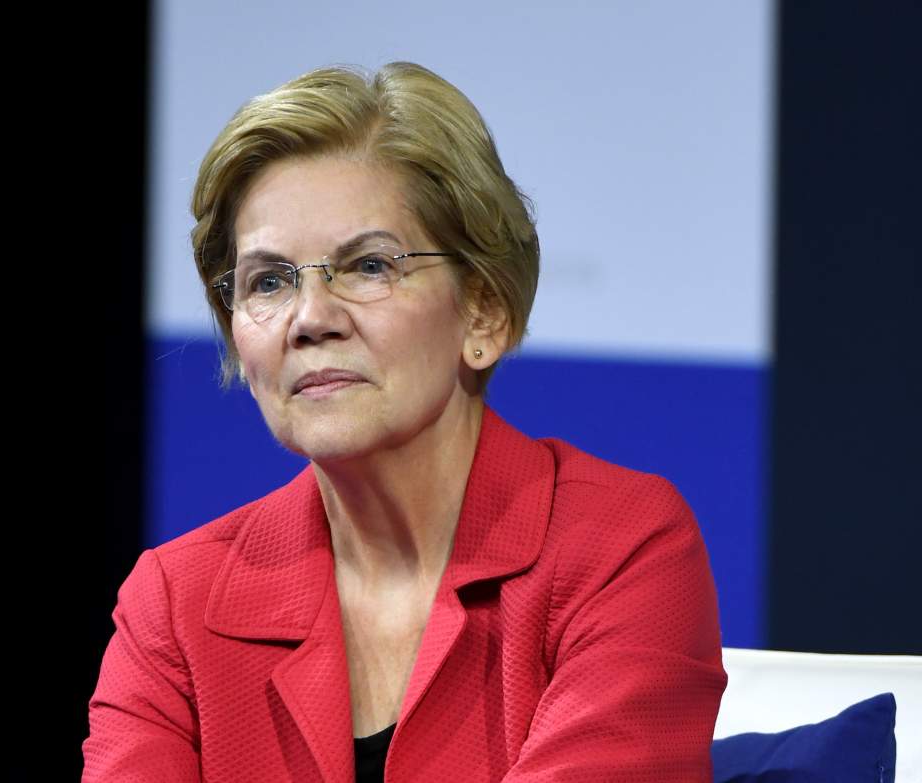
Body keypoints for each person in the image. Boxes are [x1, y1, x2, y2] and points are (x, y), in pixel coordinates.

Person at [84, 62, 727, 782]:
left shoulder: (621, 548)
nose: (310, 319)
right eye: (269, 281)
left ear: (483, 312)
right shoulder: (176, 601)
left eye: (368, 266)